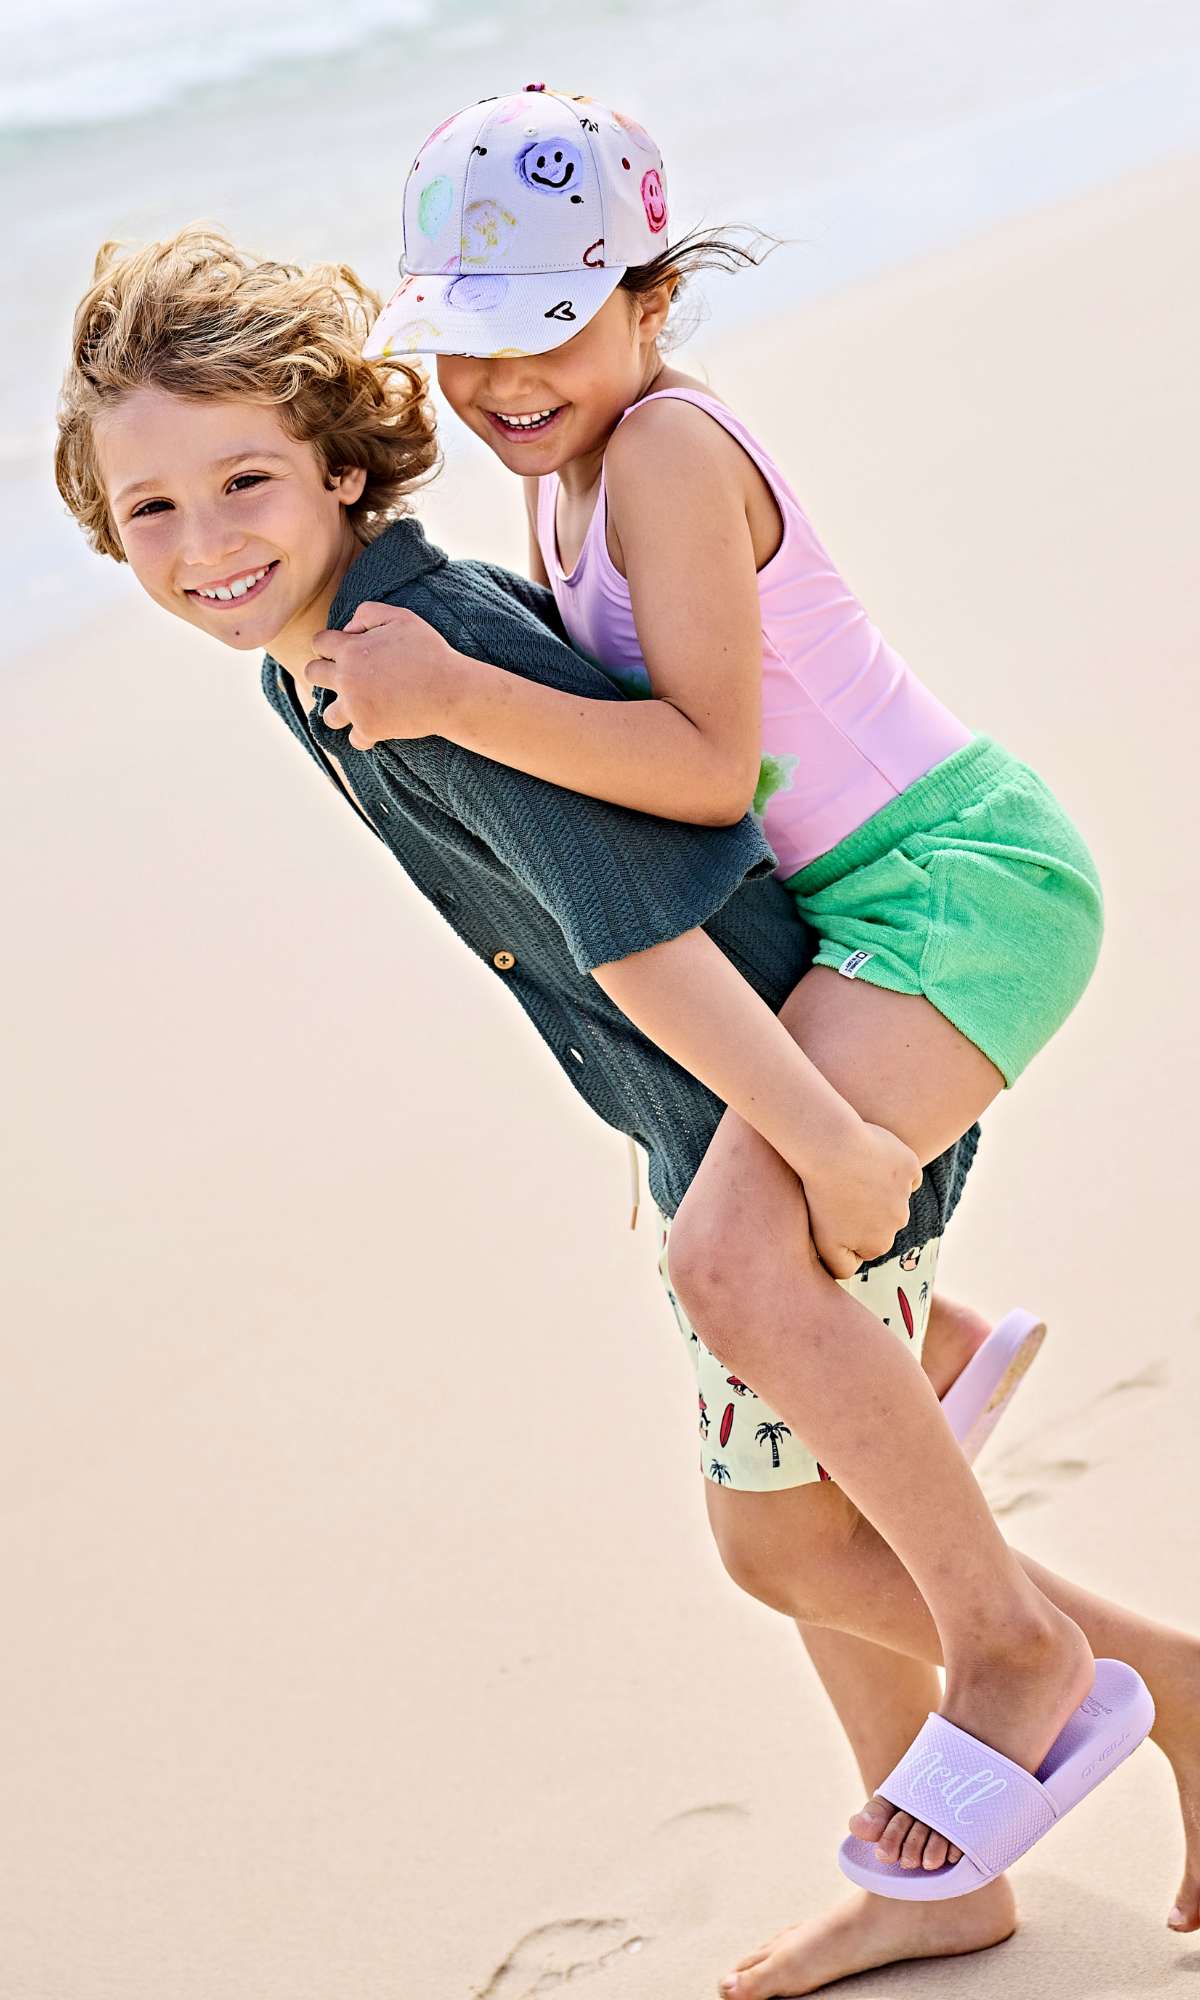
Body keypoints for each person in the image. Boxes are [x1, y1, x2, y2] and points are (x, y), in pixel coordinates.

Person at [54, 231, 1200, 1999]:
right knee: (804, 1513)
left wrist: (819, 1141)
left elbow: (645, 919)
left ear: (343, 468)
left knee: (782, 1539)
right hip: (709, 1102)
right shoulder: (318, 663)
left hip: (786, 1081)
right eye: (151, 509)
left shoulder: (419, 654)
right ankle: (943, 1860)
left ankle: (1105, 1667)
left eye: (244, 482)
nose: (205, 541)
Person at [316, 83, 1115, 1873]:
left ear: (653, 300)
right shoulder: (571, 477)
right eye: (466, 341)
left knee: (731, 1254)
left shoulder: (669, 451)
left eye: (551, 326)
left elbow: (698, 768)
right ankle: (934, 1346)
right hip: (876, 901)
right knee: (741, 1232)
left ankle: (1011, 1644)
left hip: (956, 885)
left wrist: (453, 695)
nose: (503, 378)